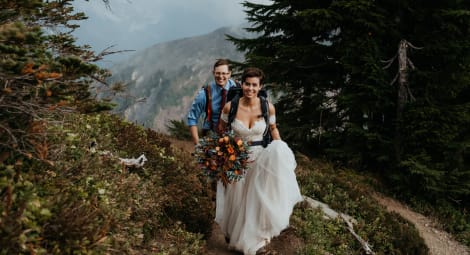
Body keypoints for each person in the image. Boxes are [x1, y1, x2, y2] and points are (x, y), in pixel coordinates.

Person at [216, 67, 303, 255]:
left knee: (256, 198)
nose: (250, 88)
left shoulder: (267, 107)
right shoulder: (230, 107)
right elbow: (221, 128)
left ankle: (256, 242)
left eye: (254, 85)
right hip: (237, 158)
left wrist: (280, 149)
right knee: (235, 199)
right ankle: (232, 233)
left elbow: (273, 129)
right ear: (242, 84)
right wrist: (227, 147)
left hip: (259, 158)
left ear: (260, 86)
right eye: (247, 84)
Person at [186, 59, 238, 145]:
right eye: (218, 73)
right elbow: (192, 118)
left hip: (235, 138)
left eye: (224, 73)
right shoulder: (205, 93)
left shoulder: (238, 90)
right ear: (213, 73)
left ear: (229, 74)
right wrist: (197, 143)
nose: (221, 76)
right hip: (213, 136)